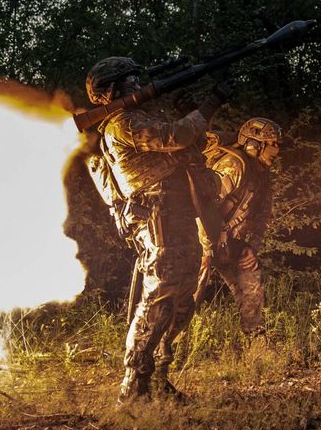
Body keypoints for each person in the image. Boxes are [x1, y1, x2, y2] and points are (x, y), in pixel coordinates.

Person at [83, 57, 228, 402]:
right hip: (157, 218)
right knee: (160, 297)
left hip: (176, 216)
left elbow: (190, 143)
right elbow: (177, 136)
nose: (140, 84)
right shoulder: (123, 122)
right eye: (133, 80)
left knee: (181, 301)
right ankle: (133, 385)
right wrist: (211, 103)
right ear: (115, 89)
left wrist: (193, 109)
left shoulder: (138, 118)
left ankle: (158, 377)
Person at [198, 117, 281, 339]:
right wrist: (206, 250)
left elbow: (262, 218)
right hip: (199, 240)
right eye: (272, 143)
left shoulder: (263, 176)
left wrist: (250, 247)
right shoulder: (233, 166)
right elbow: (201, 207)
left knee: (251, 282)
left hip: (229, 243)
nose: (277, 149)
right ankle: (164, 349)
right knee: (186, 296)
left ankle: (256, 343)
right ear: (254, 144)